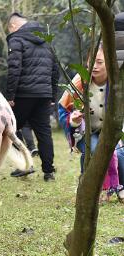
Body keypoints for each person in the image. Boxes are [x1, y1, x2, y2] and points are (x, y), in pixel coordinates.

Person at [58, 45, 122, 201]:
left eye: (99, 62)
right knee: (94, 151)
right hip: (85, 132)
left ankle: (119, 187)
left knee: (119, 154)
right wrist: (73, 121)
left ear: (110, 62)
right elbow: (63, 110)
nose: (94, 66)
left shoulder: (118, 82)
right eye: (91, 61)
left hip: (112, 131)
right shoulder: (79, 82)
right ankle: (92, 189)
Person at [5, 12, 58, 181]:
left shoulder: (16, 39)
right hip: (44, 94)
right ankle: (49, 172)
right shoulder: (46, 40)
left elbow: (14, 69)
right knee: (44, 133)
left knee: (10, 129)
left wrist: (10, 95)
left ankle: (25, 165)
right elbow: (55, 69)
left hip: (23, 94)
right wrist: (52, 95)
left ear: (13, 26)